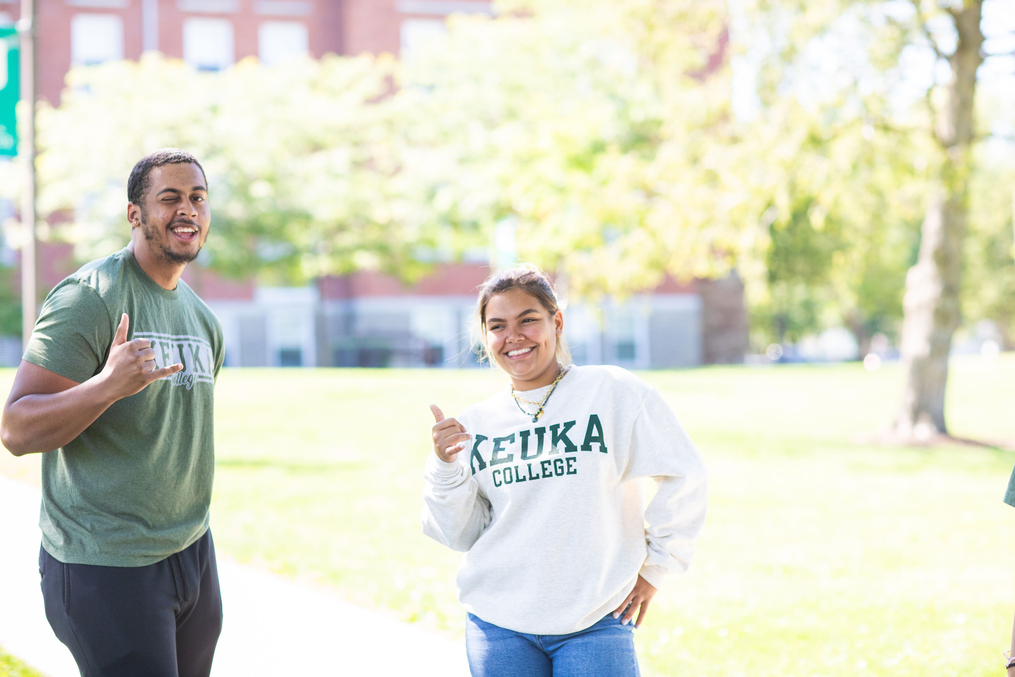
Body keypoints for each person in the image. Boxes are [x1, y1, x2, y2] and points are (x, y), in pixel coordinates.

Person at [0, 148, 225, 677]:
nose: (187, 209)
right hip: (105, 562)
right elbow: (15, 428)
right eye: (169, 198)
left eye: (197, 198)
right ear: (135, 214)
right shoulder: (91, 297)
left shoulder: (204, 320)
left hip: (191, 551)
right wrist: (105, 387)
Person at [423, 264, 707, 676]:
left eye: (528, 320)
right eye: (498, 326)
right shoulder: (476, 424)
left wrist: (657, 566)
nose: (513, 337)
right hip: (498, 623)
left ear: (556, 321)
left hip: (594, 619)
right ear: (486, 338)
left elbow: (684, 474)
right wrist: (445, 466)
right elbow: (460, 533)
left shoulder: (613, 392)